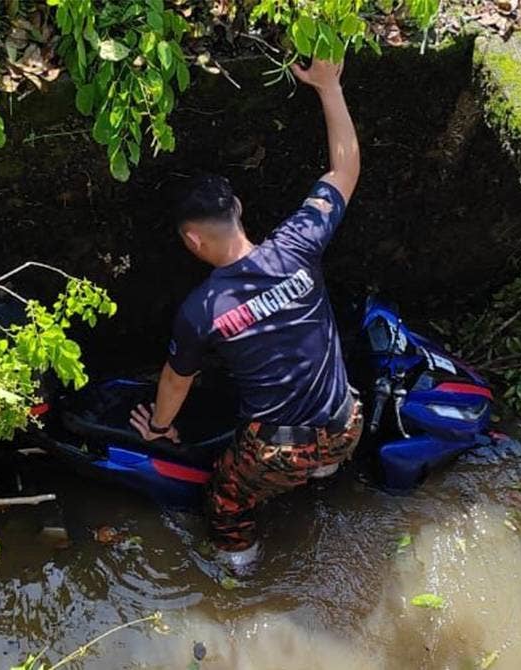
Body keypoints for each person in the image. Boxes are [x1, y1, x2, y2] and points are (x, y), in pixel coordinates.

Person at [129, 57, 363, 573]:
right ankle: (323, 471)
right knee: (319, 442)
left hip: (277, 453)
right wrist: (328, 85)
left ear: (192, 241)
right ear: (238, 208)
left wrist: (159, 430)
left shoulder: (202, 309)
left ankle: (242, 571)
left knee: (225, 504)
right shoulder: (298, 244)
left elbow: (175, 380)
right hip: (348, 422)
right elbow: (344, 170)